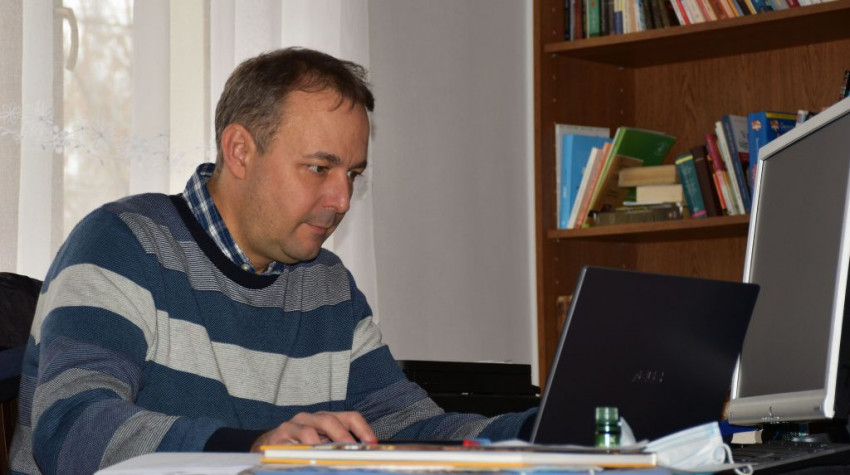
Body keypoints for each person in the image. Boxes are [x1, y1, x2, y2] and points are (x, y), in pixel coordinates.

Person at [9, 47, 534, 475]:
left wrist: (542, 430)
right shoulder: (123, 243)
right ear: (240, 151)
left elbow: (406, 427)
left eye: (352, 174)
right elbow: (72, 430)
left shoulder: (327, 285)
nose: (342, 200)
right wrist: (253, 450)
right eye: (320, 168)